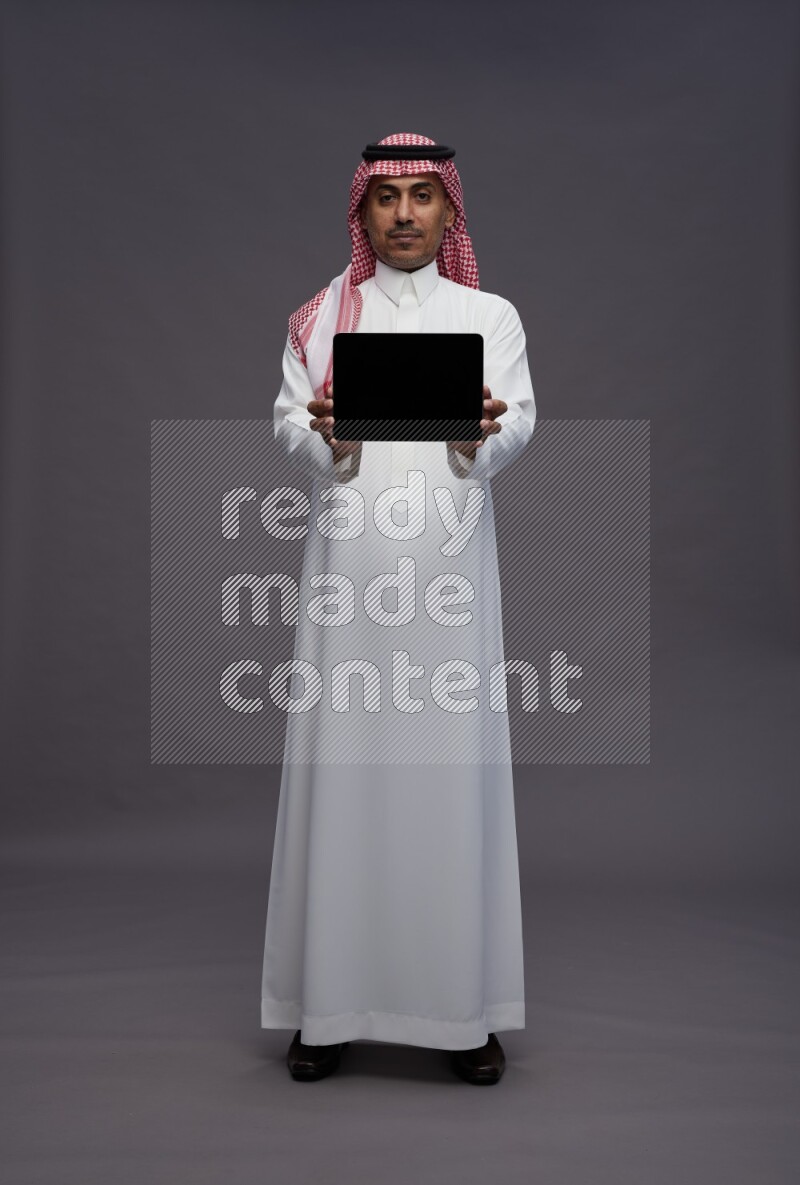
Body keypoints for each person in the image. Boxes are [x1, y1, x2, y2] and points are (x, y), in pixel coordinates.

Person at [261, 132, 536, 1085]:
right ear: (363, 212)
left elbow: (519, 418)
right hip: (349, 583)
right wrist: (325, 437)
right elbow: (291, 421)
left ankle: (462, 1015)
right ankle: (327, 1010)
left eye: (425, 197)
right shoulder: (321, 316)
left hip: (452, 585)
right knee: (344, 776)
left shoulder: (489, 314)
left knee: (449, 783)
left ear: (451, 212)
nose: (408, 214)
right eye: (389, 198)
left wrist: (479, 438)